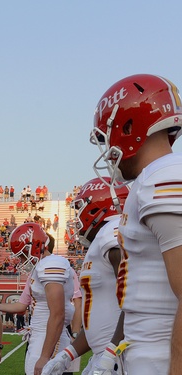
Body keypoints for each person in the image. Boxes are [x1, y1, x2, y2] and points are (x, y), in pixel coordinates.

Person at [89, 74, 182, 374]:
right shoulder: (154, 178)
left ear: (128, 128)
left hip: (159, 359)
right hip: (147, 352)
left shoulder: (161, 177)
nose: (106, 150)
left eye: (107, 136)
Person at [41, 178, 129, 375]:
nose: (78, 215)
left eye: (81, 207)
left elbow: (134, 299)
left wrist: (111, 352)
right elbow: (98, 322)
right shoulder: (102, 239)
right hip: (108, 354)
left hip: (120, 357)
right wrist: (68, 353)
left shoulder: (111, 234)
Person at [0, 223, 79, 375]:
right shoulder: (42, 266)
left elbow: (58, 314)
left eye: (22, 254)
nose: (21, 260)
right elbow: (22, 305)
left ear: (34, 246)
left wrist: (44, 356)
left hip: (48, 337)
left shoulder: (51, 264)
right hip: (40, 335)